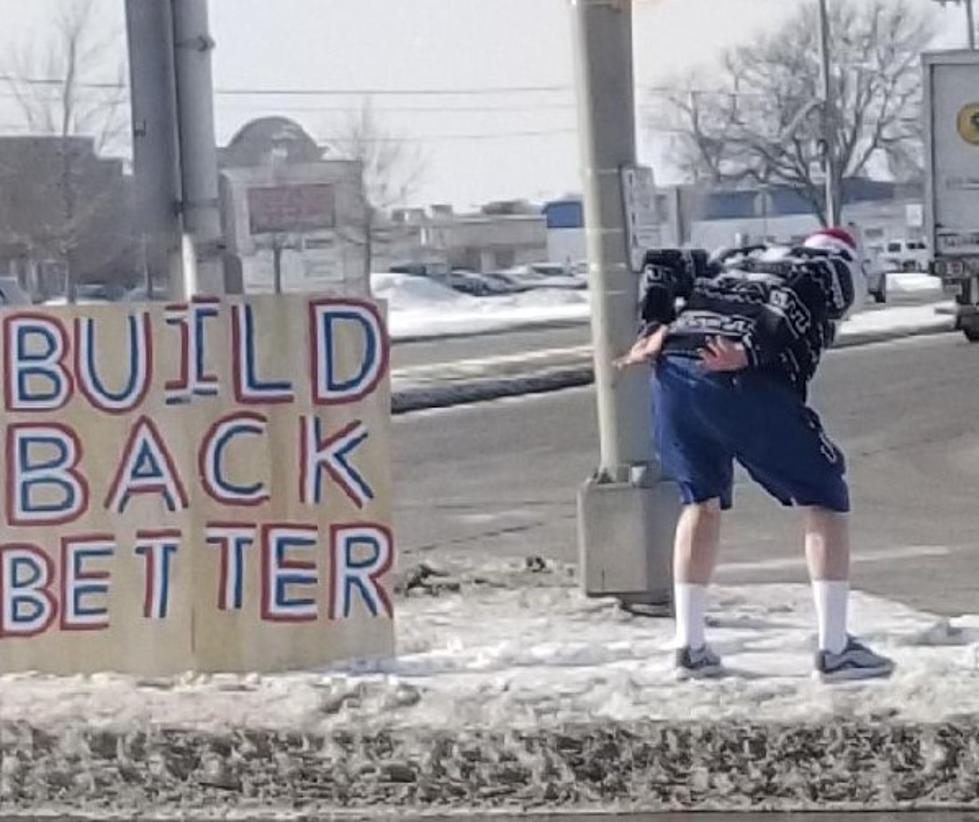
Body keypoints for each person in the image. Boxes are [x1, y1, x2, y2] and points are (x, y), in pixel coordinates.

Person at [614, 228, 894, 683]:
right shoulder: (830, 265)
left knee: (699, 500)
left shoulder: (739, 258)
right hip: (739, 376)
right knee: (824, 495)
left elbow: (665, 261)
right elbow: (814, 288)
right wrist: (752, 347)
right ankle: (835, 648)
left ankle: (690, 644)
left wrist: (653, 325)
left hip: (674, 369)